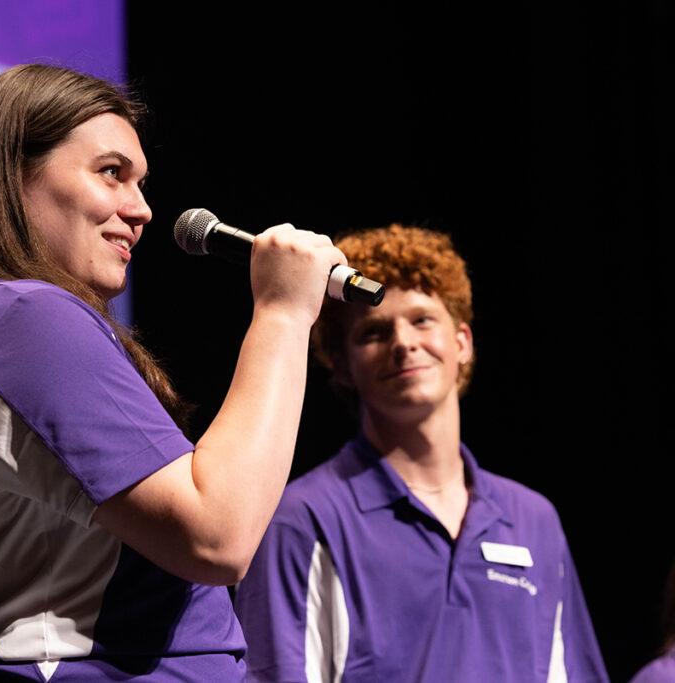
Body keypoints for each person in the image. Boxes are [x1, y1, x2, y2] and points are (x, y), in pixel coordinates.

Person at [0, 64, 345, 681]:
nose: (142, 211)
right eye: (111, 173)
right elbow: (219, 532)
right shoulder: (21, 317)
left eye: (140, 182)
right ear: (12, 175)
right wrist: (284, 313)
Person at [234, 225, 609, 682]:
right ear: (343, 365)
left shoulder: (534, 519)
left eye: (422, 320)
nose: (404, 343)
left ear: (462, 343)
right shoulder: (301, 518)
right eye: (374, 331)